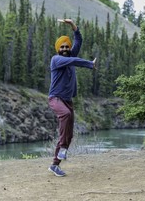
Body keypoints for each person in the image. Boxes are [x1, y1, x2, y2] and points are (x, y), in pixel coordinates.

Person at [48, 19, 96, 177]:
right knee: (66, 115)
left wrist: (73, 25)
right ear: (58, 49)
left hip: (67, 100)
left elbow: (79, 40)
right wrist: (89, 63)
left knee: (69, 135)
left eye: (66, 46)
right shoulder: (57, 60)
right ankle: (62, 148)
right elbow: (74, 60)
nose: (64, 48)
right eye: (62, 47)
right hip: (55, 98)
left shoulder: (69, 56)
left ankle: (55, 164)